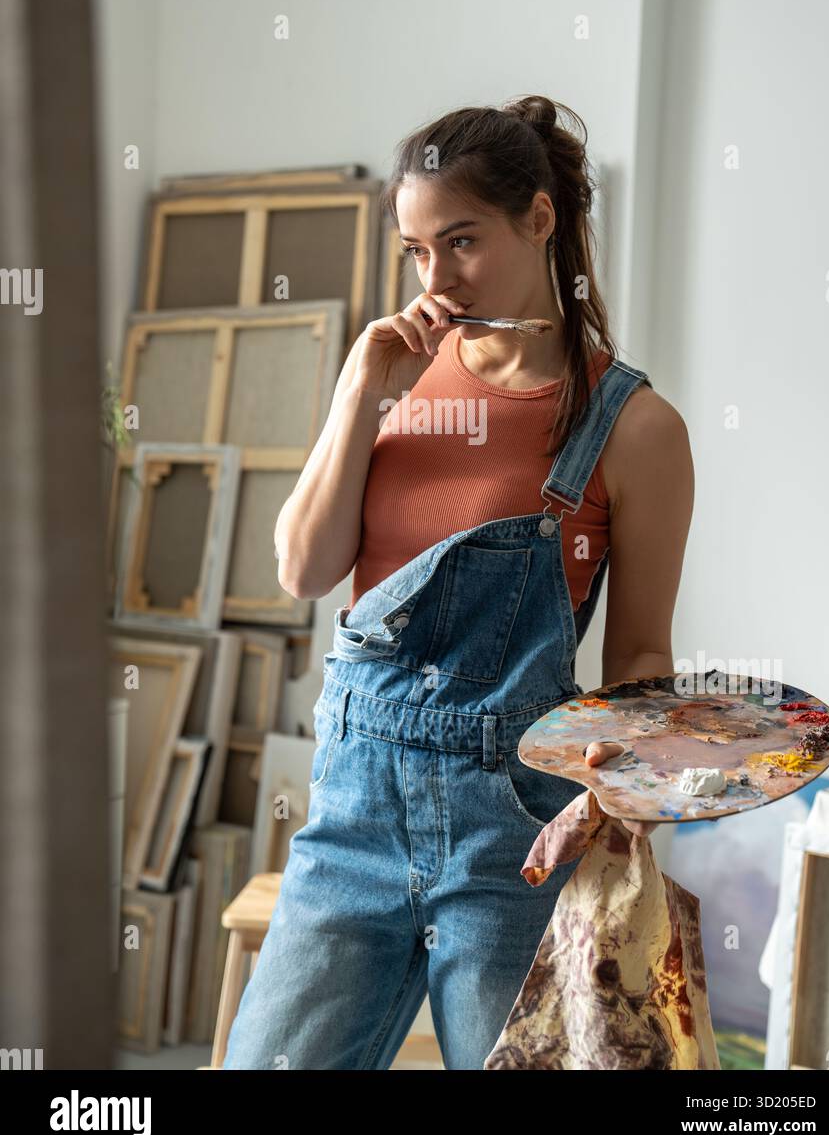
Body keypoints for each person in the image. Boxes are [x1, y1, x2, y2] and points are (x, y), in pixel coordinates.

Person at [222, 94, 694, 1070]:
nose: (435, 279)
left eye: (462, 241)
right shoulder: (395, 377)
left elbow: (640, 653)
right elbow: (305, 567)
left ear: (538, 217)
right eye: (415, 249)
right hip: (351, 811)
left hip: (510, 831)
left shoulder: (635, 429)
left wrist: (611, 797)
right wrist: (360, 389)